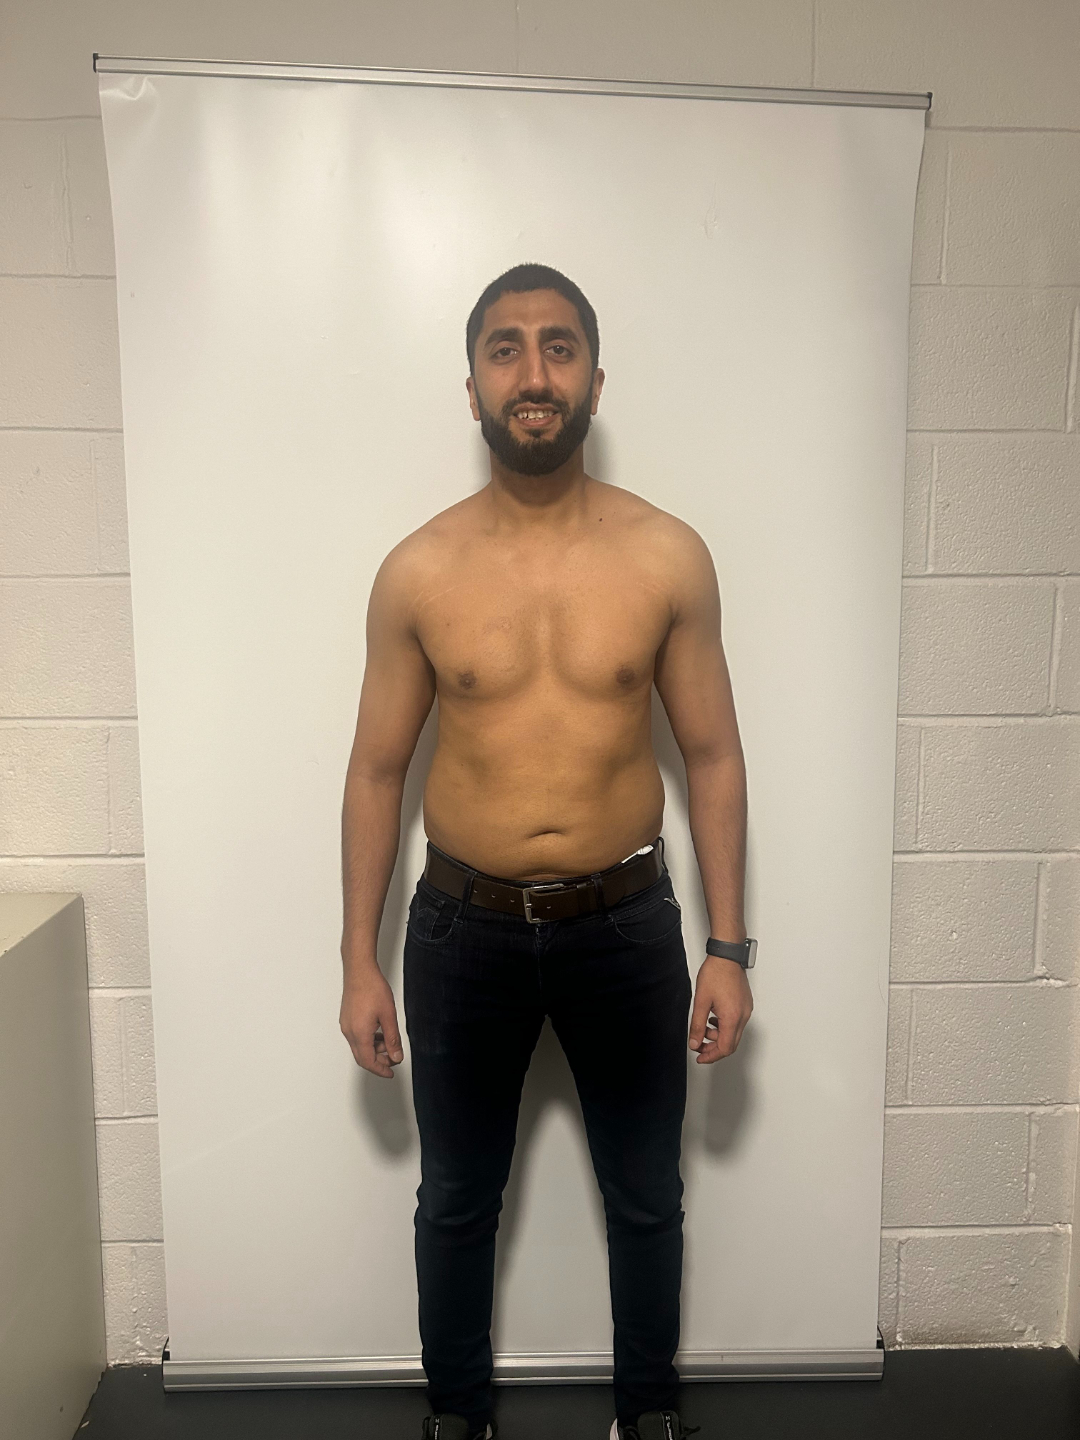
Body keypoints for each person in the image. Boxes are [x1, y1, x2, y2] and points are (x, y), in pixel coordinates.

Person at [339, 263, 755, 1440]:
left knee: (647, 1196)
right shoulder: (418, 571)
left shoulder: (666, 556)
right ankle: (458, 1418)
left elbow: (713, 755)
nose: (534, 372)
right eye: (507, 348)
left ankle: (648, 1414)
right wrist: (359, 959)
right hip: (460, 931)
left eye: (559, 347)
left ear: (594, 382)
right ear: (473, 386)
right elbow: (376, 773)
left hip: (625, 926)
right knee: (456, 1200)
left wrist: (728, 947)